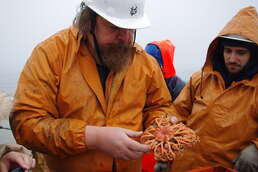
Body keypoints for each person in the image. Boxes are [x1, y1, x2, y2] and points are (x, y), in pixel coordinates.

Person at [9, 0, 173, 171]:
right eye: (114, 27)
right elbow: (25, 124)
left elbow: (159, 106)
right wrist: (91, 137)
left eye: (131, 29)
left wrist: (159, 125)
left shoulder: (145, 64)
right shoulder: (51, 55)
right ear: (89, 22)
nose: (125, 38)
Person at [169, 6, 258, 172]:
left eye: (241, 53)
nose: (232, 58)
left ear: (253, 55)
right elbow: (176, 114)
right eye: (228, 51)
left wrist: (257, 149)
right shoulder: (200, 78)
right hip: (184, 165)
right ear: (220, 50)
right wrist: (163, 158)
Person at [141, 40, 185, 172]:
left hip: (166, 138)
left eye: (155, 62)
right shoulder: (139, 80)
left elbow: (182, 117)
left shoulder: (179, 88)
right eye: (146, 61)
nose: (150, 67)